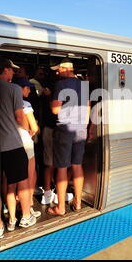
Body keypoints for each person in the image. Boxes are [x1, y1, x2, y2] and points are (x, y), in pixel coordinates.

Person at [46, 59, 90, 216]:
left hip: (65, 129)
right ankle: (78, 203)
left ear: (66, 69)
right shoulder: (84, 84)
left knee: (62, 167)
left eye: (58, 69)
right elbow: (88, 106)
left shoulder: (60, 84)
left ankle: (61, 208)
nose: (57, 72)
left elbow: (55, 110)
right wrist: (85, 126)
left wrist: (51, 99)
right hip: (81, 129)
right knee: (77, 165)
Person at [0, 58, 37, 232]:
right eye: (12, 70)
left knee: (6, 184)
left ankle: (9, 219)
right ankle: (25, 217)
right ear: (5, 70)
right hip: (12, 144)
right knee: (22, 183)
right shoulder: (13, 89)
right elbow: (20, 117)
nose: (13, 73)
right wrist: (27, 130)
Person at [13, 77, 42, 219]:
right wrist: (31, 130)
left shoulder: (6, 102)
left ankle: (13, 209)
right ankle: (28, 205)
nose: (29, 90)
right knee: (30, 174)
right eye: (27, 88)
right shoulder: (25, 104)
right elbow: (34, 127)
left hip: (11, 143)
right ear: (20, 89)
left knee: (13, 178)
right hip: (25, 141)